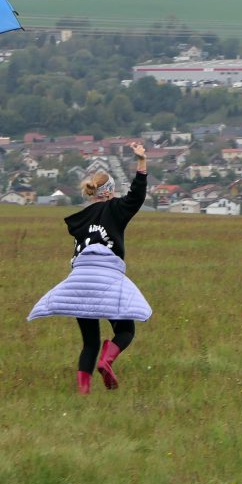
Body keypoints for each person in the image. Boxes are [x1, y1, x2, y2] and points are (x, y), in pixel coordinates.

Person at [27, 142, 152, 394]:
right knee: (126, 330)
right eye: (114, 192)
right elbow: (137, 195)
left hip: (79, 282)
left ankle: (83, 393)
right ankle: (107, 360)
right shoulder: (116, 209)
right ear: (107, 193)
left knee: (90, 342)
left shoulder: (81, 218)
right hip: (106, 280)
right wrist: (141, 161)